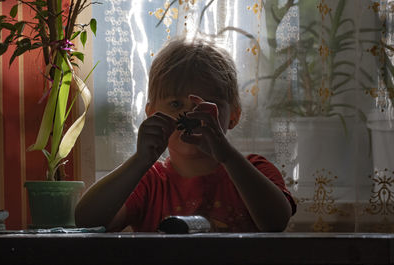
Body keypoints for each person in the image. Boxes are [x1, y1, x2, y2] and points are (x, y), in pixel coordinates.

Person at [75, 37, 296, 232]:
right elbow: (87, 222)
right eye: (175, 103)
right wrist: (140, 161)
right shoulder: (149, 182)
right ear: (151, 113)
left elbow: (276, 222)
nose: (190, 115)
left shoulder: (255, 172)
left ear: (234, 116)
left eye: (207, 105)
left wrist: (227, 156)